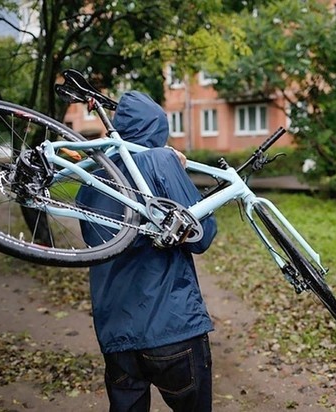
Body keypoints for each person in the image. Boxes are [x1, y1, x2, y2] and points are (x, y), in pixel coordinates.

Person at [76, 91, 217, 412]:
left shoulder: (91, 178)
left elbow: (96, 242)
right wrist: (175, 169)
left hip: (116, 336)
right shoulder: (159, 160)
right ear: (158, 128)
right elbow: (202, 235)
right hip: (172, 327)